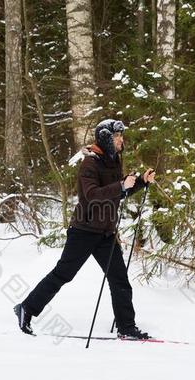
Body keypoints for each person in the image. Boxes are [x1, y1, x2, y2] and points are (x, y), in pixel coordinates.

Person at [14, 119, 156, 339]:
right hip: (84, 230)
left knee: (119, 279)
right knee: (63, 274)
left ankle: (126, 328)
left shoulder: (113, 160)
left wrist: (140, 183)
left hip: (106, 233)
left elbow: (118, 191)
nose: (121, 140)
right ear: (107, 138)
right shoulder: (90, 164)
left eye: (121, 136)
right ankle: (26, 308)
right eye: (118, 136)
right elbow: (91, 195)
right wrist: (120, 185)